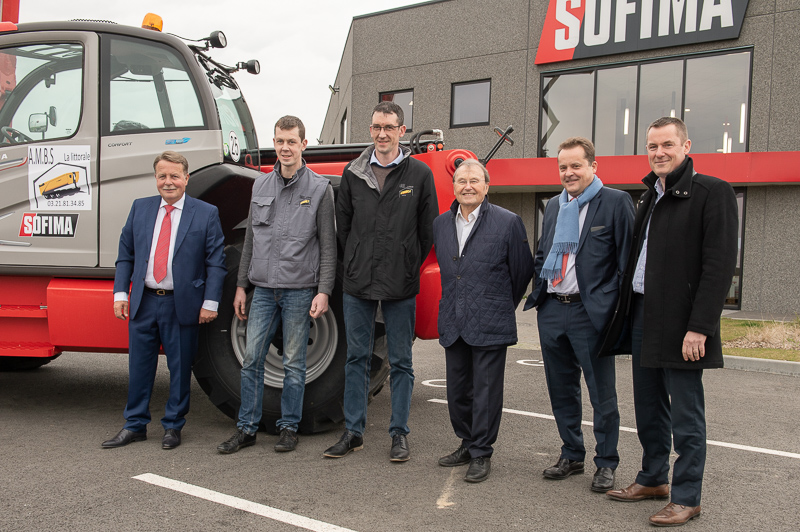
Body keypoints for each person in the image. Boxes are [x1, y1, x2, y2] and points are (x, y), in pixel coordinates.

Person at [603, 117, 738, 527]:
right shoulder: (649, 196)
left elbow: (718, 267)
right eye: (652, 146)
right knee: (648, 405)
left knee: (685, 414)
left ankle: (687, 496)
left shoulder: (711, 192)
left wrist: (700, 326)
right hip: (645, 313)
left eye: (666, 144)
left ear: (686, 145)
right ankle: (653, 478)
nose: (658, 152)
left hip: (683, 323)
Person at [324, 101, 438, 461]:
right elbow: (344, 230)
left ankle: (399, 434)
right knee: (356, 358)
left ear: (402, 131)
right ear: (370, 130)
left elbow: (427, 232)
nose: (382, 134)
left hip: (400, 284)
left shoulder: (418, 175)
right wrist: (356, 262)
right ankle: (353, 432)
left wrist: (406, 264)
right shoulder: (352, 173)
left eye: (389, 127)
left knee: (401, 362)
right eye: (376, 127)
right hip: (358, 284)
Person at [217, 116, 335, 455]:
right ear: (275, 143)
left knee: (295, 363)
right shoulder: (260, 187)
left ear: (303, 145)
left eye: (291, 142)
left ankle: (288, 428)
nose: (285, 148)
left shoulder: (319, 189)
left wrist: (324, 291)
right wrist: (241, 286)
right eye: (280, 141)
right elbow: (251, 240)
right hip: (263, 290)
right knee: (252, 358)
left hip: (299, 290)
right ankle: (247, 428)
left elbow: (328, 245)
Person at [525, 137, 634, 492]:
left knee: (602, 394)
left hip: (591, 314)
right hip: (554, 308)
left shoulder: (616, 203)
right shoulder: (555, 205)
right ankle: (572, 454)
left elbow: (627, 266)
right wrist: (540, 295)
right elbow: (544, 253)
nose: (569, 173)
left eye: (575, 166)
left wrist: (614, 311)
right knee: (561, 390)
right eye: (563, 167)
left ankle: (606, 462)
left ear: (593, 167)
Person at [103, 151, 226, 450]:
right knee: (139, 367)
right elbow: (126, 255)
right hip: (143, 302)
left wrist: (210, 303)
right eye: (162, 176)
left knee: (180, 368)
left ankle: (173, 426)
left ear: (186, 178)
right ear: (155, 178)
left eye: (174, 176)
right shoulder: (140, 208)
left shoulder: (206, 213)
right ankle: (135, 425)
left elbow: (216, 263)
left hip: (180, 304)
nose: (168, 182)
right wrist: (121, 294)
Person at [433, 159, 534, 483]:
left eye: (474, 180)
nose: (468, 186)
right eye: (462, 181)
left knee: (486, 391)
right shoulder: (440, 224)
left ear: (487, 186)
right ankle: (466, 441)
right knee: (457, 390)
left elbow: (522, 271)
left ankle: (481, 452)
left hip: (491, 319)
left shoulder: (508, 222)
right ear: (454, 187)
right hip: (454, 319)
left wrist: (499, 301)